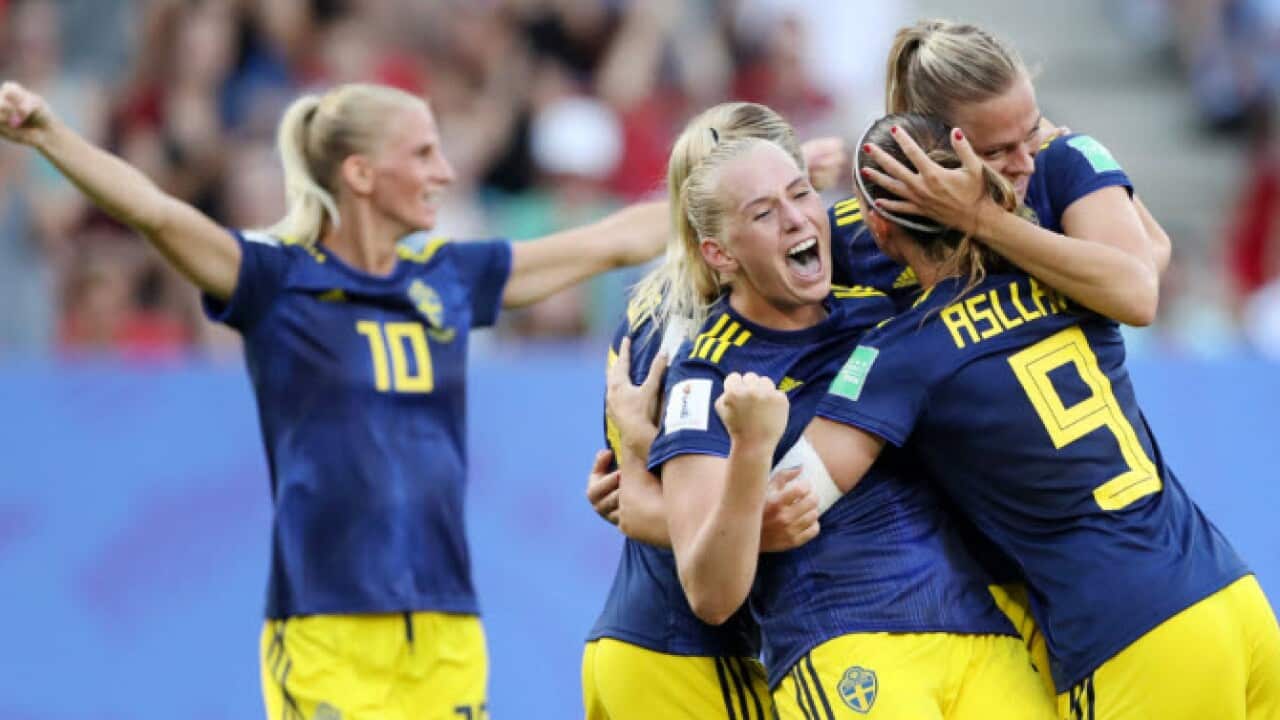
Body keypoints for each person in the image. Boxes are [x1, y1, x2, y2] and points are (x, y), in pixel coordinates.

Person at [0, 80, 670, 719]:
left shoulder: (448, 276)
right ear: (360, 174)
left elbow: (612, 240)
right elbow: (154, 212)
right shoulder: (276, 282)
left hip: (445, 629)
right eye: (422, 153)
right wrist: (50, 134)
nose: (445, 172)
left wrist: (734, 186)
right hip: (326, 631)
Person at [802, 113, 1280, 720]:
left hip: (1128, 637)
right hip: (1232, 596)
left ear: (878, 228)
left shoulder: (902, 352)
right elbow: (1146, 255)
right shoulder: (1072, 275)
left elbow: (790, 499)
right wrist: (1056, 138)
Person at [618, 131, 1056, 718]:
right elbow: (711, 595)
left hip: (980, 629)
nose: (798, 220)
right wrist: (751, 450)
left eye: (801, 196)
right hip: (846, 644)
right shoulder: (706, 375)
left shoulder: (878, 310)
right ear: (720, 254)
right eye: (765, 213)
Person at [582, 101, 842, 720]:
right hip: (684, 651)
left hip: (672, 649)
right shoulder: (676, 330)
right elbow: (638, 503)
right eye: (754, 200)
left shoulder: (722, 301)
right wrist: (753, 523)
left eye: (796, 185)